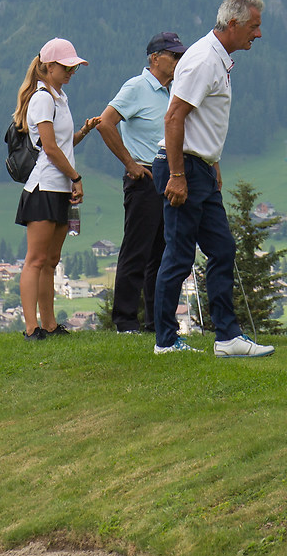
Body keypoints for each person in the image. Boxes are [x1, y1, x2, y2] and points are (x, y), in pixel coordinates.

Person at [151, 0, 274, 358]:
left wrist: (212, 162)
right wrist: (177, 175)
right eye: (254, 26)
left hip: (199, 167)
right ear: (233, 25)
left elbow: (199, 120)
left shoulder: (218, 59)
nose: (259, 33)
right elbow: (174, 117)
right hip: (182, 168)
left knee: (222, 249)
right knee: (179, 255)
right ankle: (166, 341)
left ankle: (227, 338)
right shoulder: (205, 59)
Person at [96, 31, 183, 334]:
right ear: (154, 57)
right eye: (173, 55)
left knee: (161, 253)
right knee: (137, 250)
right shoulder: (136, 87)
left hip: (169, 177)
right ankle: (124, 320)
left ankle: (156, 322)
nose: (178, 60)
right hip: (145, 175)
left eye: (179, 55)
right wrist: (129, 163)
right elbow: (105, 123)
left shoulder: (174, 90)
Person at [14, 37, 89, 340]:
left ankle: (49, 323)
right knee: (36, 259)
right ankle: (32, 327)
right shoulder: (42, 97)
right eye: (67, 66)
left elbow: (60, 146)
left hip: (57, 188)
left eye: (74, 66)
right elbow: (49, 148)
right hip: (44, 187)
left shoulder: (59, 97)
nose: (72, 70)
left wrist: (82, 131)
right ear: (49, 66)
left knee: (51, 261)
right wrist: (76, 176)